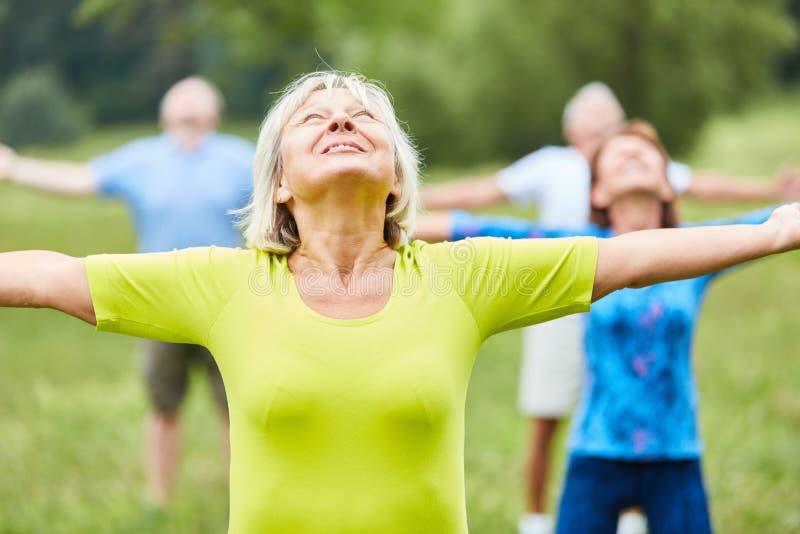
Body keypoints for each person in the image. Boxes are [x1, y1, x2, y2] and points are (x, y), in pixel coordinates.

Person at [1, 72, 799, 534]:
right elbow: (48, 277)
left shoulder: (461, 278)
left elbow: (626, 258)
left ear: (397, 178)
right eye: (314, 116)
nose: (342, 116)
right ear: (278, 180)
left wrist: (770, 233)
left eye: (364, 118)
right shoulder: (225, 282)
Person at [419, 82, 800, 534]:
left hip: (677, 453)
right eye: (618, 154)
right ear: (597, 192)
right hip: (596, 452)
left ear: (666, 182)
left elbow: (772, 222)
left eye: (645, 150)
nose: (632, 153)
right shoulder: (580, 249)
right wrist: (374, 222)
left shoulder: (697, 249)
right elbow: (473, 227)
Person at [0, 76, 254, 507]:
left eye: (196, 107)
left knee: (236, 410)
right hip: (159, 301)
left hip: (228, 302)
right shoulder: (144, 159)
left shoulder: (239, 157)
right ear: (165, 115)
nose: (187, 116)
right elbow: (83, 178)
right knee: (162, 406)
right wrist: (15, 168)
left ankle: (243, 500)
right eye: (179, 107)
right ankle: (158, 502)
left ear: (213, 115)